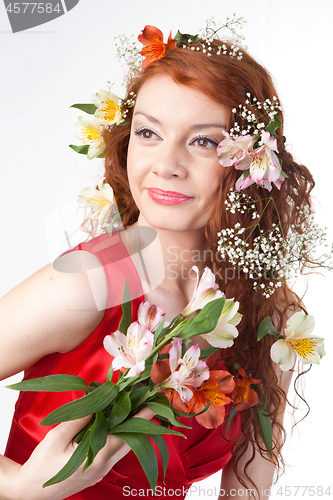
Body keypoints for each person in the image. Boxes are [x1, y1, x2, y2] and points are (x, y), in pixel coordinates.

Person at [0, 23, 321, 500]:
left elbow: (250, 487)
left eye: (204, 141)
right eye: (148, 132)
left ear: (254, 162)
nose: (166, 163)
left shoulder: (270, 314)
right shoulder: (85, 284)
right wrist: (20, 487)